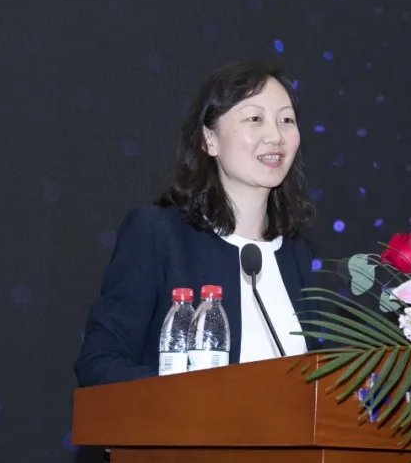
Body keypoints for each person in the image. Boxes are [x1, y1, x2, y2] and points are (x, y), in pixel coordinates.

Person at [75, 61, 321, 387]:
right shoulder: (158, 235)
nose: (275, 136)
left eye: (286, 120)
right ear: (209, 139)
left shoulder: (295, 253)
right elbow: (99, 365)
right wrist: (190, 390)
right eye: (255, 119)